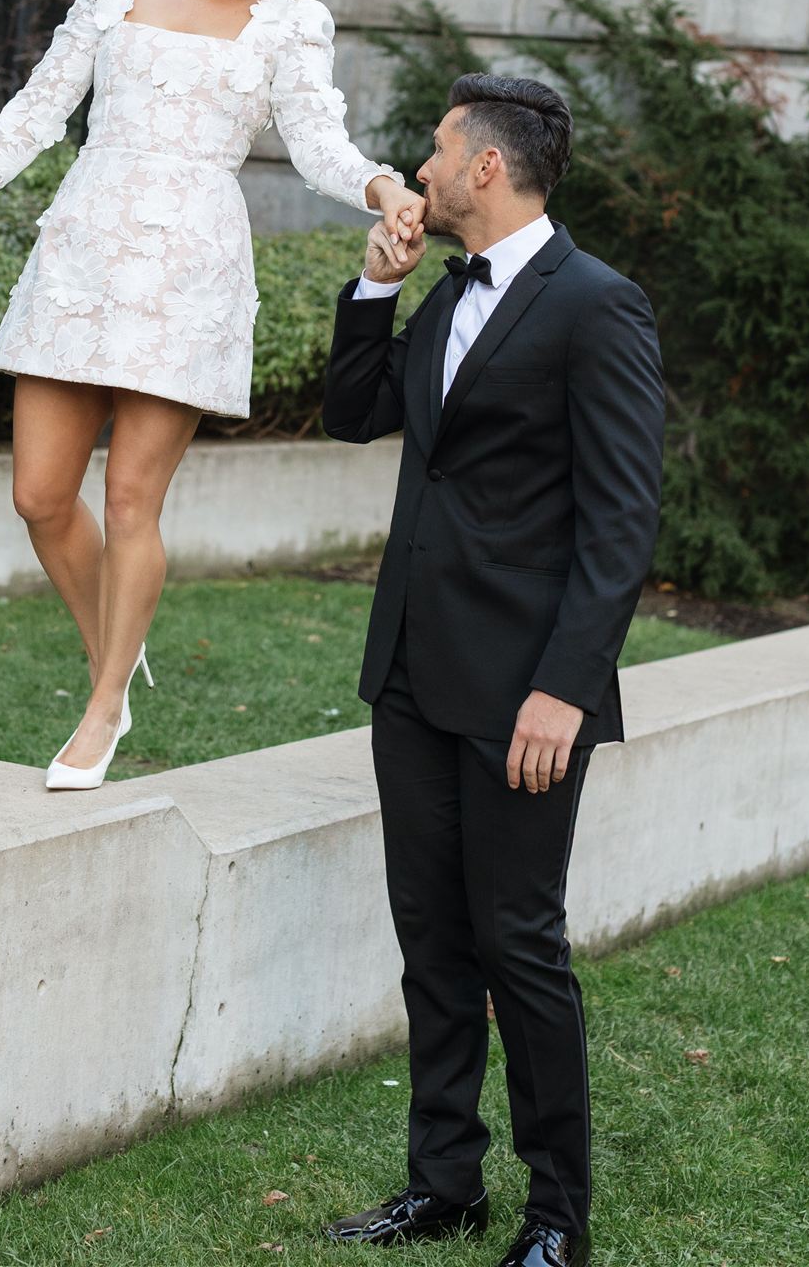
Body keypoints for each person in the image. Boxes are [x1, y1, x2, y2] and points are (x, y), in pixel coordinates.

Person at [0, 0, 424, 791]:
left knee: (131, 496)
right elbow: (39, 104)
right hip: (80, 256)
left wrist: (382, 184)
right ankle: (118, 641)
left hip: (190, 272)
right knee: (38, 493)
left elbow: (320, 144)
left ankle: (105, 700)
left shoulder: (289, 27)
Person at [320, 74, 664, 1267]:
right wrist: (377, 282)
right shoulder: (445, 290)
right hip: (410, 673)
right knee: (431, 938)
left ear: (486, 168)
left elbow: (622, 523)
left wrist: (565, 688)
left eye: (435, 150)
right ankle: (442, 1182)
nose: (418, 168)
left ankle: (557, 1211)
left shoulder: (596, 306)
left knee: (519, 942)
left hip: (524, 693)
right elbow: (352, 411)